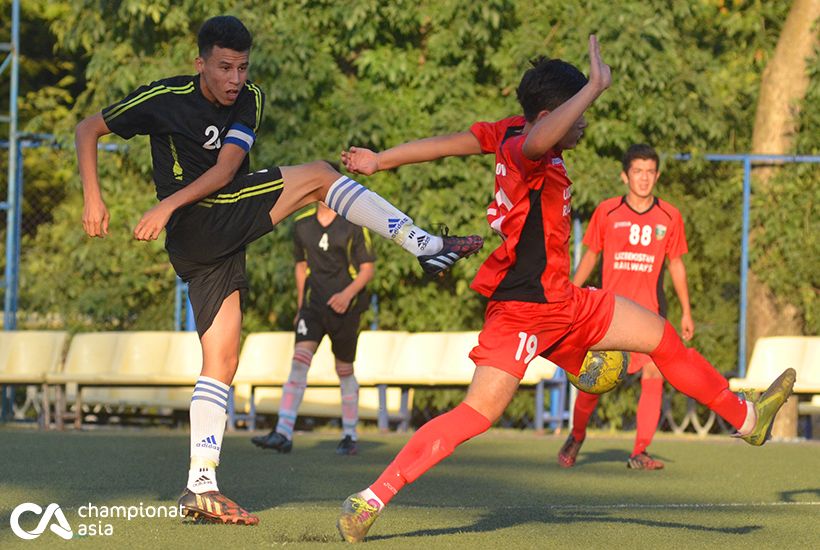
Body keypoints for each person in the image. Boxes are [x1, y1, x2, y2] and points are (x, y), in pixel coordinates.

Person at [335, 35, 795, 543]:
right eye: (577, 113)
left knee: (663, 338)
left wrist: (383, 160)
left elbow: (448, 143)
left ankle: (747, 417)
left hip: (567, 301)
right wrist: (595, 84)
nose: (584, 122)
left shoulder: (511, 128)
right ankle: (371, 498)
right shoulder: (526, 144)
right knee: (476, 414)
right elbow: (532, 143)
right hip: (524, 309)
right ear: (554, 112)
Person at [74, 15, 482, 526]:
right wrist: (96, 196)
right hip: (200, 222)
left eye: (242, 67)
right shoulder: (163, 96)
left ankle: (201, 484)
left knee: (221, 361)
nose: (234, 79)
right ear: (199, 63)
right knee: (318, 177)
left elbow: (226, 169)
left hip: (212, 231)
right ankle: (423, 243)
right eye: (223, 67)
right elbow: (88, 127)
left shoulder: (250, 98)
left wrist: (164, 207)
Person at [558, 144, 692, 471]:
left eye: (649, 172)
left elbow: (676, 265)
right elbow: (590, 254)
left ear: (657, 176)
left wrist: (687, 311)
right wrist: (570, 293)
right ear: (624, 175)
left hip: (649, 314)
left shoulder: (670, 216)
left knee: (654, 371)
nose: (643, 178)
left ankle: (640, 451)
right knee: (592, 378)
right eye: (637, 171)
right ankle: (576, 435)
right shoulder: (607, 212)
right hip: (608, 313)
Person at [251, 201, 375, 456]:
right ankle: (283, 432)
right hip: (313, 307)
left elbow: (367, 269)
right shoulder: (302, 225)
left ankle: (350, 434)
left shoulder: (354, 223)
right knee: (299, 362)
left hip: (346, 309)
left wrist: (346, 295)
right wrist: (300, 307)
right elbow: (300, 266)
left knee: (344, 370)